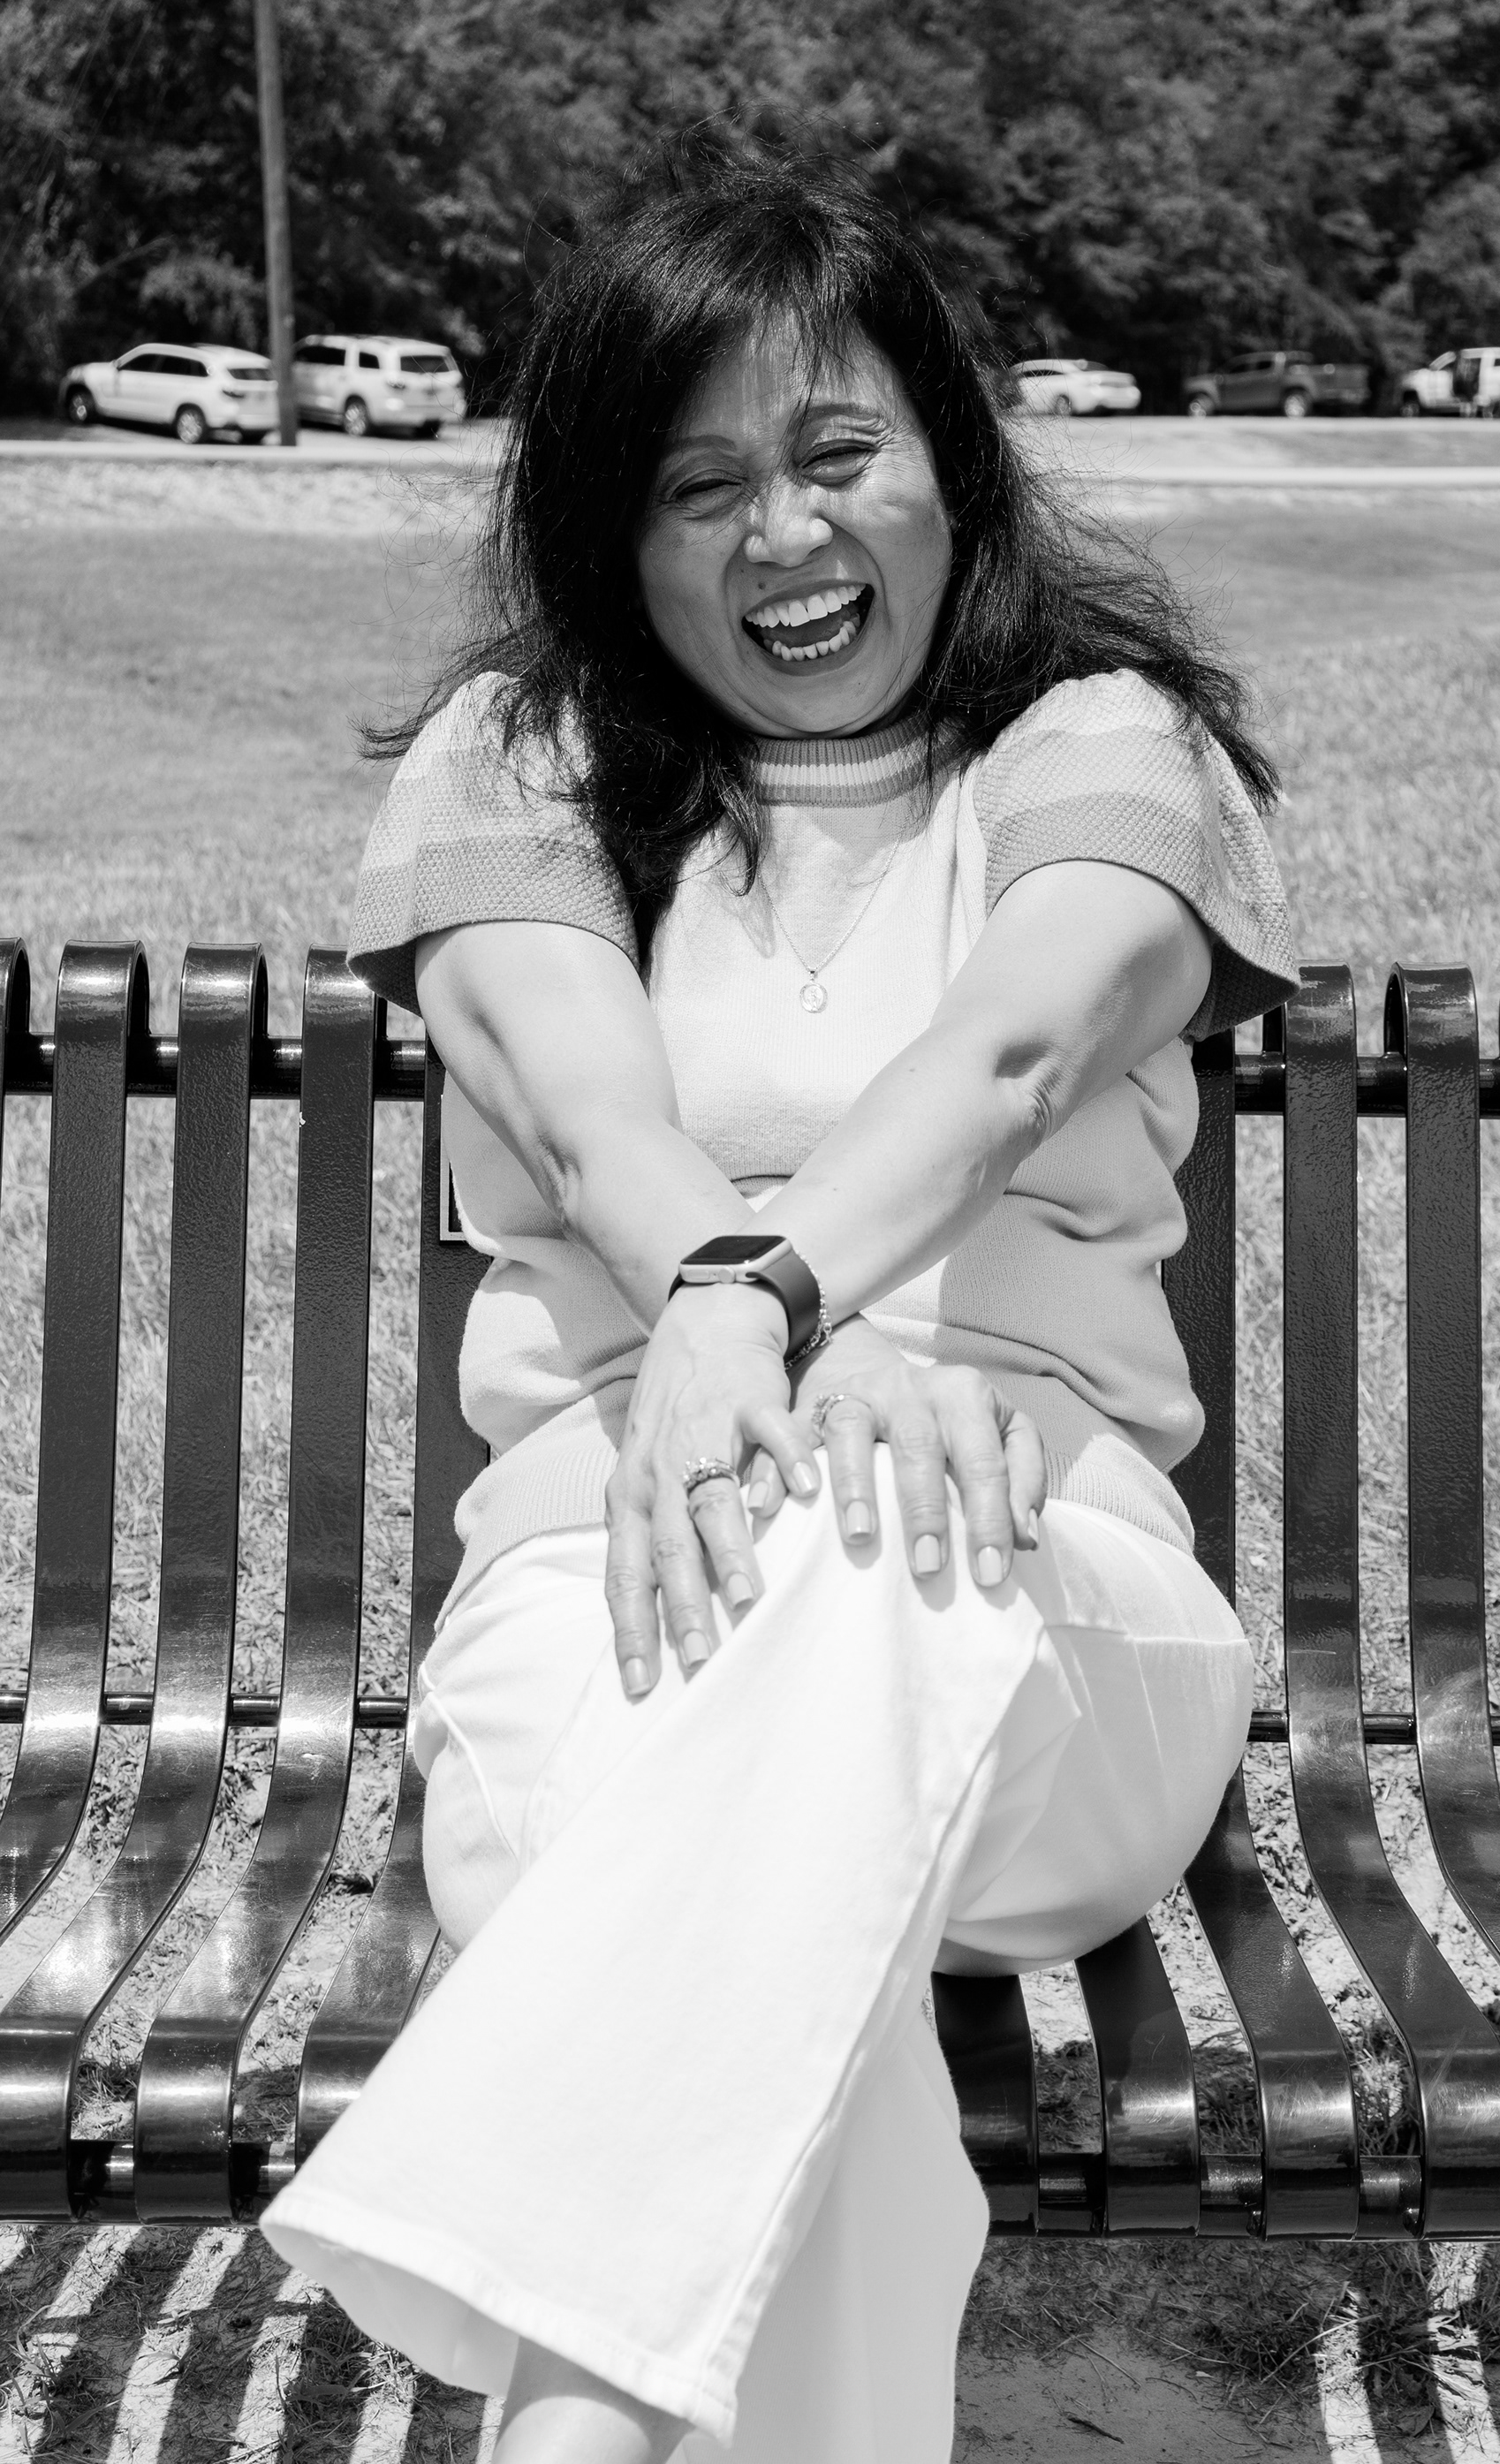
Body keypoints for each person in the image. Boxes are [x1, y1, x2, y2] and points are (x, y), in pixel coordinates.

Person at [261, 145, 1298, 2464]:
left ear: (956, 466)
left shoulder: (1096, 742)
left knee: (864, 1573)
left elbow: (1007, 1058)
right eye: (700, 483)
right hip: (600, 1592)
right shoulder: (524, 759)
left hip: (1045, 1608)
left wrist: (778, 1325)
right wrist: (761, 1335)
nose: (785, 533)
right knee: (774, 1947)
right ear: (614, 535)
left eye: (839, 454)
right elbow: (592, 1116)